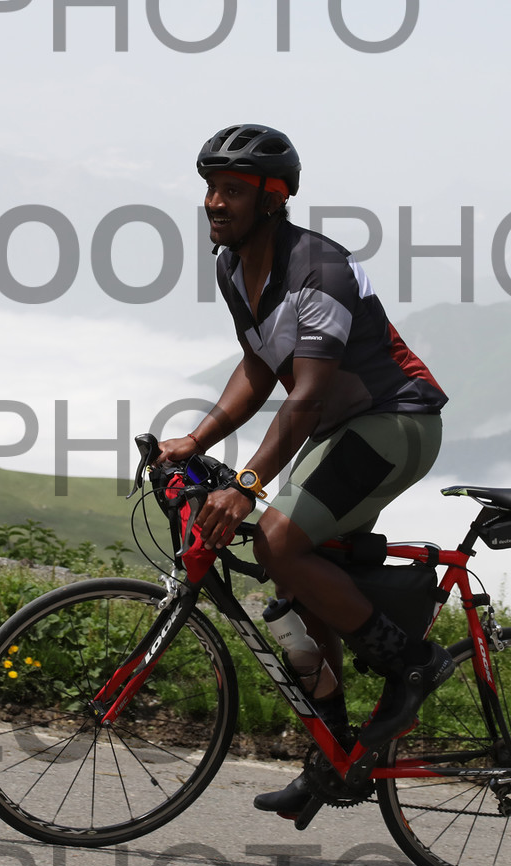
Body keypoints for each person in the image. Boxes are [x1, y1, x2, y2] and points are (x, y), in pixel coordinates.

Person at [156, 123, 451, 815]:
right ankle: (337, 755)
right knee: (302, 581)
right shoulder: (234, 267)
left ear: (272, 198)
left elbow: (308, 394)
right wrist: (196, 439)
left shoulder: (319, 271)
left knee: (278, 539)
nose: (214, 202)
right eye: (210, 188)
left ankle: (412, 664)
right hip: (343, 427)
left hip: (396, 420)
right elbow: (260, 366)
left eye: (232, 190)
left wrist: (246, 486)